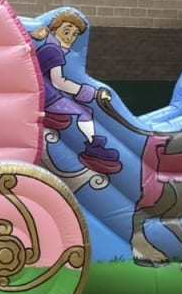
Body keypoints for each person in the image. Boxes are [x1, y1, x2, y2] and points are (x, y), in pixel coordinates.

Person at [32, 10, 122, 174]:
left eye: (74, 35)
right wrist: (89, 93)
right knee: (84, 114)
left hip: (46, 96)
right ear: (54, 30)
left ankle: (93, 145)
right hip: (50, 99)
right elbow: (59, 82)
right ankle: (93, 147)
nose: (69, 38)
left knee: (85, 111)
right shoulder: (53, 51)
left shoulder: (48, 48)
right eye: (66, 32)